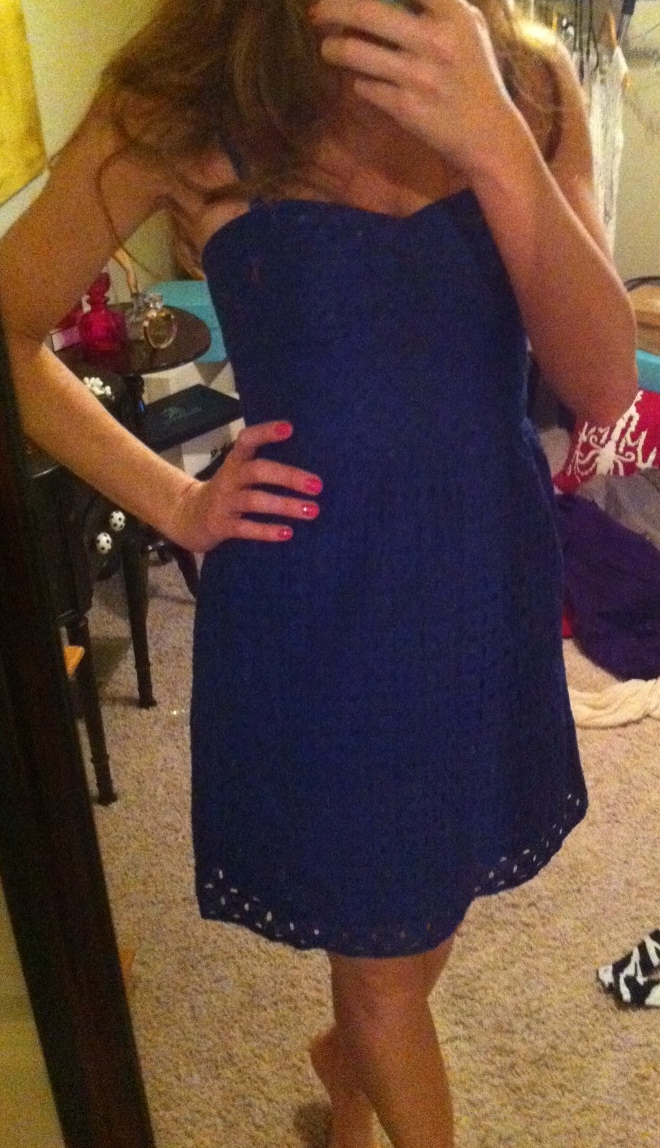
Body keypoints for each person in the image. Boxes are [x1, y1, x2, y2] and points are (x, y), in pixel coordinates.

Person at [0, 1, 638, 1144]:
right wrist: (176, 500)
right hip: (319, 603)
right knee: (383, 959)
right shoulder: (182, 92)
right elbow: (11, 326)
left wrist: (496, 138)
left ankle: (347, 1073)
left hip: (486, 583)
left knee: (427, 898)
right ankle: (368, 1057)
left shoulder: (527, 82)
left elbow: (600, 387)